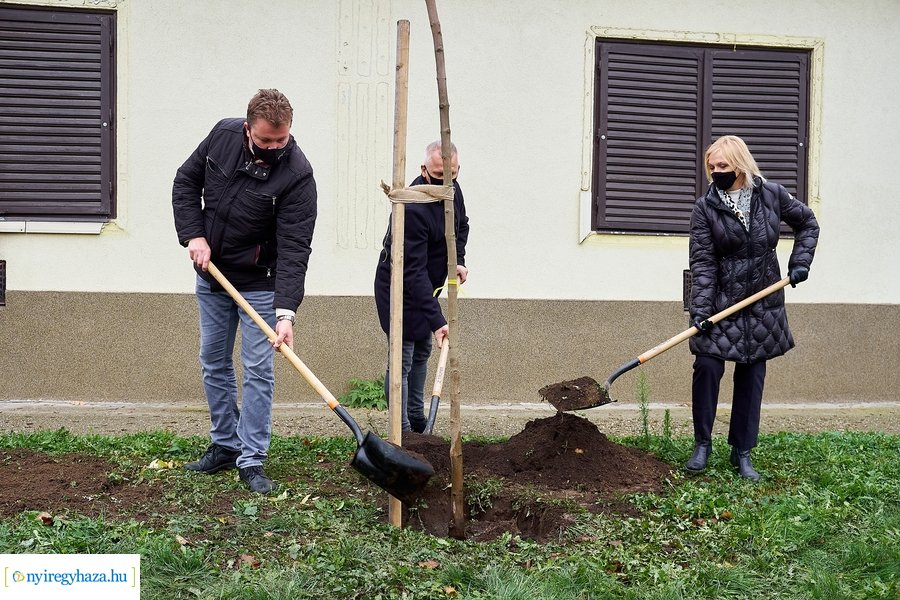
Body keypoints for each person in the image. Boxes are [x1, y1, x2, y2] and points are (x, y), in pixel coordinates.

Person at [172, 89, 317, 493]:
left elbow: (294, 248)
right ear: (247, 128)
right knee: (213, 361)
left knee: (257, 370)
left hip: (260, 284)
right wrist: (193, 235)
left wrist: (286, 312)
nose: (274, 148)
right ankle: (224, 444)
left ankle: (251, 459)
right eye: (266, 140)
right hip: (213, 274)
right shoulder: (221, 136)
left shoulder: (298, 175)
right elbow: (185, 182)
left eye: (281, 140)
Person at [684, 134, 819, 481]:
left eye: (723, 166)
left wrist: (799, 263)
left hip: (763, 300)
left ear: (740, 165)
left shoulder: (771, 194)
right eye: (711, 167)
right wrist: (701, 311)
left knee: (752, 374)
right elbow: (702, 263)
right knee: (708, 366)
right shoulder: (705, 207)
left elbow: (808, 223)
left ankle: (742, 452)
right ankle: (702, 444)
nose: (716, 172)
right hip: (721, 301)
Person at [374, 141, 470, 433]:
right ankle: (401, 429)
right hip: (399, 288)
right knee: (402, 357)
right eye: (438, 174)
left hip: (428, 285)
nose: (444, 181)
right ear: (424, 170)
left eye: (450, 174)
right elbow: (412, 272)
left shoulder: (453, 191)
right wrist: (438, 319)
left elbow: (461, 226)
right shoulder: (413, 206)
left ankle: (417, 420)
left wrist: (458, 260)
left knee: (422, 350)